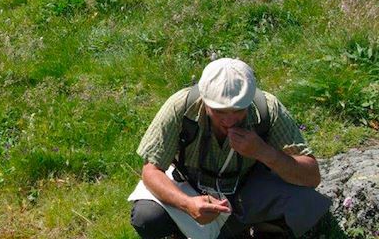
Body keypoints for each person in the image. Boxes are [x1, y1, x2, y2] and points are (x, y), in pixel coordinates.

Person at [128, 58, 330, 238]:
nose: (229, 119)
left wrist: (263, 152)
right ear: (205, 101)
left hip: (246, 189)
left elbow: (311, 176)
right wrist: (187, 204)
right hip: (191, 187)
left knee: (305, 202)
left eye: (238, 110)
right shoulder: (181, 107)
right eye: (220, 111)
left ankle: (260, 230)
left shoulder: (267, 109)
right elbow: (151, 171)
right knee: (147, 216)